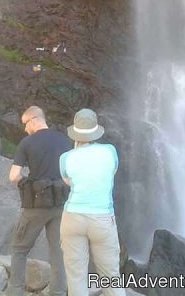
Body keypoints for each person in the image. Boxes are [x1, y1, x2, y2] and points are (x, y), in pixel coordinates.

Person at [59, 108, 126, 296]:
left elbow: (70, 182)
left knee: (76, 275)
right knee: (110, 276)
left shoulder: (65, 158)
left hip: (73, 217)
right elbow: (110, 174)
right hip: (102, 218)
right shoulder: (110, 151)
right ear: (96, 131)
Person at [7, 106, 71, 296]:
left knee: (19, 248)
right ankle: (58, 292)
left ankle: (15, 291)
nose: (25, 129)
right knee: (57, 252)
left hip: (35, 205)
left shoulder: (27, 142)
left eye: (25, 124)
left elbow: (14, 175)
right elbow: (69, 175)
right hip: (60, 203)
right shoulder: (64, 140)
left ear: (34, 120)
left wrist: (28, 182)